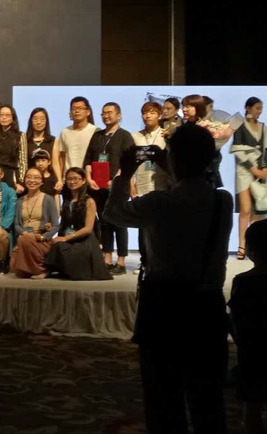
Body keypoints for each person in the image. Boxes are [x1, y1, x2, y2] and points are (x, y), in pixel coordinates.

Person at [104, 124, 232, 433]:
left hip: (163, 306)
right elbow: (201, 187)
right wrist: (174, 166)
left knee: (163, 398)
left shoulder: (159, 203)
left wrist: (125, 173)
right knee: (208, 399)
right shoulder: (223, 202)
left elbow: (112, 213)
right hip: (207, 306)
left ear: (173, 159)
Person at [84, 102, 135, 275]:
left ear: (118, 115)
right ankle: (107, 258)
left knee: (119, 222)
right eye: (103, 113)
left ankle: (121, 261)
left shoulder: (125, 136)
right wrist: (89, 178)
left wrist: (116, 179)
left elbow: (129, 162)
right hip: (98, 186)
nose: (106, 115)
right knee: (104, 222)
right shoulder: (97, 135)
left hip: (118, 187)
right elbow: (88, 159)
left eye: (110, 112)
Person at [228, 220, 267, 434]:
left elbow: (238, 322)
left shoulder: (243, 282)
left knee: (252, 409)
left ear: (250, 250)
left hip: (252, 355)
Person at [44, 167, 111, 281]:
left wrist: (65, 238)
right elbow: (63, 224)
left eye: (75, 178)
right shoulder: (66, 201)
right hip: (69, 236)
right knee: (56, 246)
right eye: (69, 179)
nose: (72, 181)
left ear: (83, 180)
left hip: (85, 240)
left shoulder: (89, 201)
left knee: (69, 250)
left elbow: (88, 229)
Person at [131, 102, 170, 273]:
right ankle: (145, 262)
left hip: (161, 186)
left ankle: (161, 262)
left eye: (152, 112)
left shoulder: (166, 135)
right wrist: (131, 185)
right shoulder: (135, 137)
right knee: (143, 227)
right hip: (141, 185)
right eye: (145, 113)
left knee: (161, 227)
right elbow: (130, 164)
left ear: (160, 115)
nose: (147, 116)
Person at [231, 97, 266, 260]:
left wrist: (263, 168)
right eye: (257, 108)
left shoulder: (263, 127)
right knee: (245, 210)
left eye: (261, 108)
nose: (260, 111)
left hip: (260, 170)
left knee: (258, 209)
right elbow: (237, 149)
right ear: (248, 108)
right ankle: (242, 245)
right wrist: (253, 168)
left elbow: (265, 149)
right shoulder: (240, 125)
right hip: (244, 170)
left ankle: (256, 245)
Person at [10, 168, 60, 279]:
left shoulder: (48, 199)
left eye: (36, 178)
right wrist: (25, 234)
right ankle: (31, 267)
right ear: (25, 180)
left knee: (23, 241)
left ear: (42, 182)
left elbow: (56, 226)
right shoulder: (20, 201)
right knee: (14, 267)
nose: (32, 180)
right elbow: (17, 224)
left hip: (41, 239)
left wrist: (43, 236)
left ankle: (41, 270)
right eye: (29, 177)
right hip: (25, 237)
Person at [58, 96, 97, 191]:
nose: (77, 111)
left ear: (88, 112)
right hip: (69, 181)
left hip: (88, 180)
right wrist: (60, 179)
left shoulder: (95, 131)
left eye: (80, 108)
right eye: (74, 108)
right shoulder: (65, 132)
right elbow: (62, 157)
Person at [0, 105, 27, 193]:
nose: (4, 117)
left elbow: (23, 161)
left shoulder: (20, 135)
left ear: (13, 118)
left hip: (12, 175)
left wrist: (21, 182)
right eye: (1, 115)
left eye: (7, 115)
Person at [26, 107, 62, 188]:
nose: (39, 122)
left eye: (42, 119)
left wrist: (59, 180)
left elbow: (55, 163)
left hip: (48, 180)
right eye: (35, 119)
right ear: (31, 121)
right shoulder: (25, 140)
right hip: (31, 181)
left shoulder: (53, 140)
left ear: (46, 121)